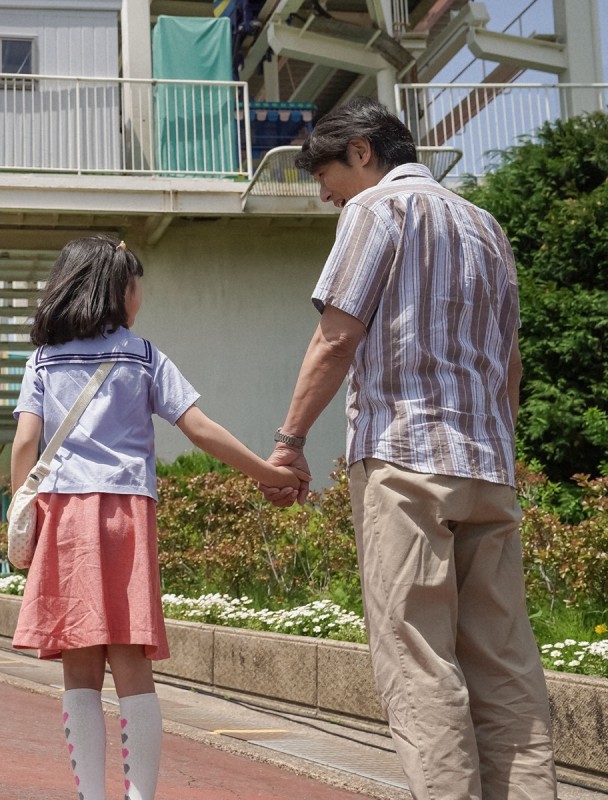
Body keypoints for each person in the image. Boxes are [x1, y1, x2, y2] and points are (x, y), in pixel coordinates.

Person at [262, 97, 556, 799]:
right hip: (487, 466)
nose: (325, 194)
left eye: (325, 174)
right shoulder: (486, 226)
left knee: (419, 660)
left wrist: (290, 441)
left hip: (405, 462)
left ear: (363, 150)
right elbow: (511, 365)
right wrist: (497, 450)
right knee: (506, 664)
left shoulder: (375, 213)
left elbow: (337, 338)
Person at [10, 235, 304, 800]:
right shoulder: (143, 356)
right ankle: (139, 796)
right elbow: (199, 428)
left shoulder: (43, 360)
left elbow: (26, 442)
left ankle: (90, 796)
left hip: (67, 515)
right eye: (135, 281)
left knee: (80, 666)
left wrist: (25, 506)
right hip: (128, 514)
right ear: (118, 291)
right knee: (132, 659)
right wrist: (269, 473)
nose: (140, 292)